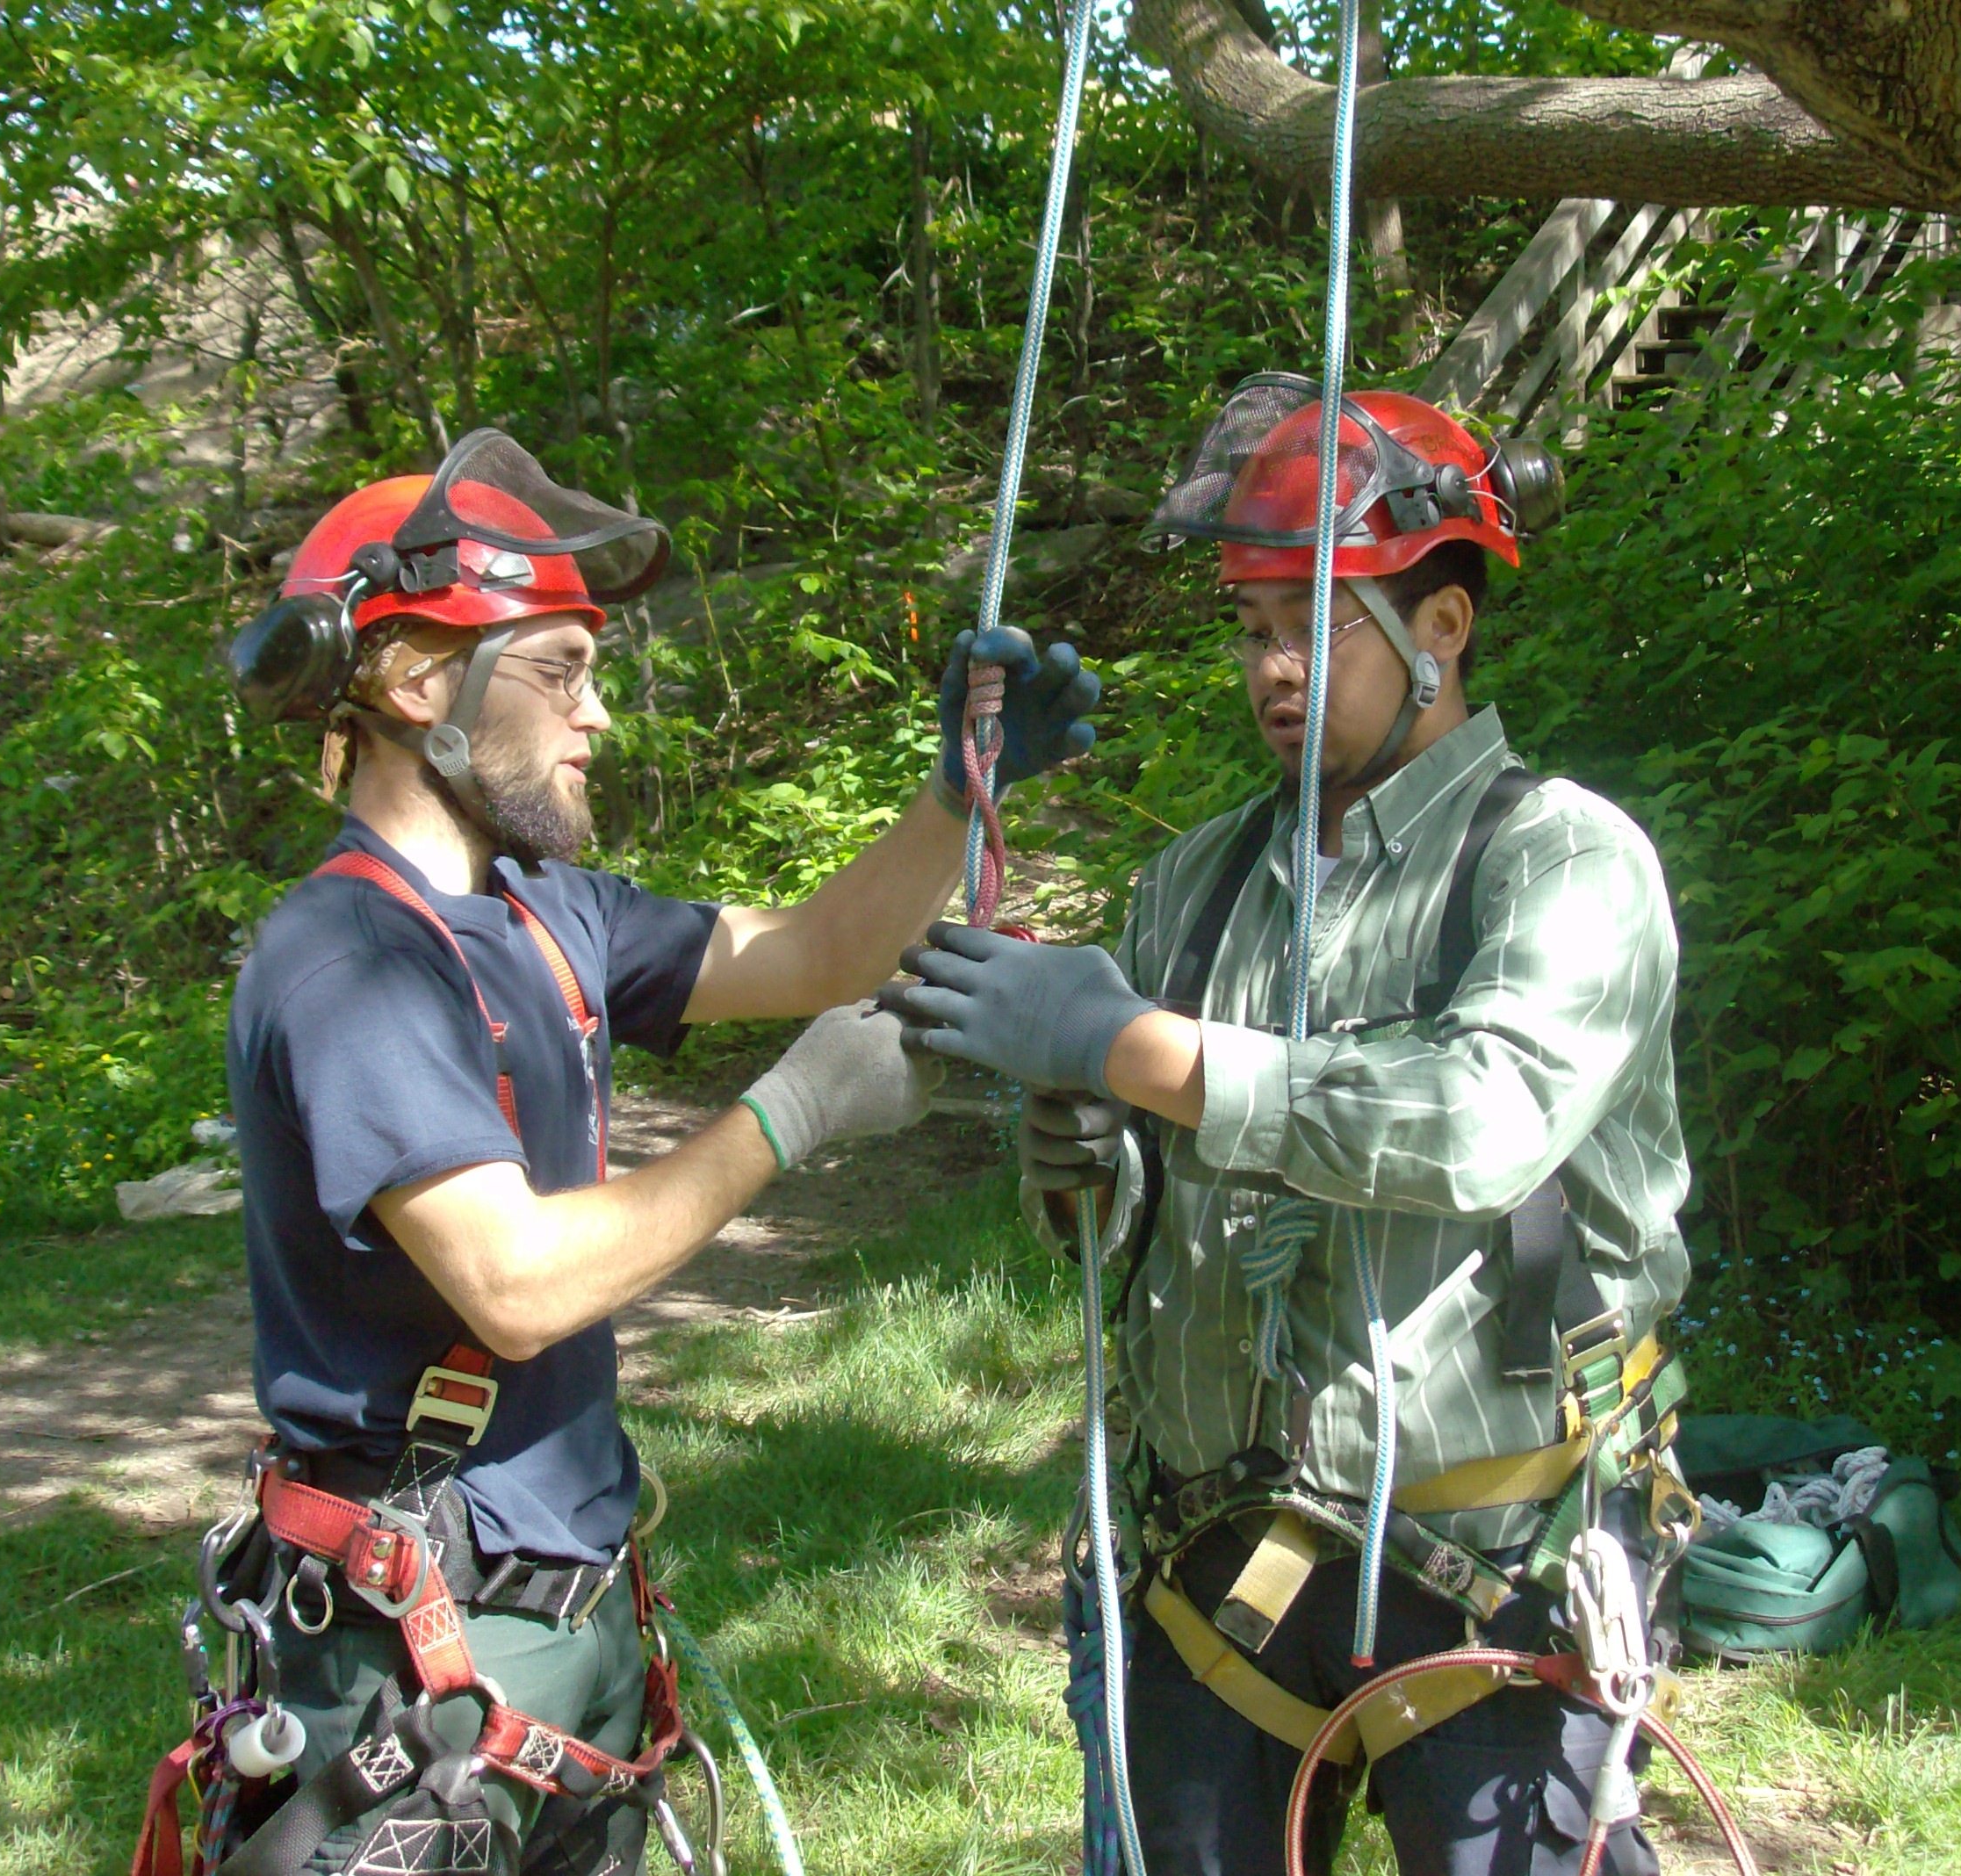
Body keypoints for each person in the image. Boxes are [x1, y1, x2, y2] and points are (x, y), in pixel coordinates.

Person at [198, 436, 1102, 1876]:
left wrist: (957, 790)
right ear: (417, 683)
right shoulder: (348, 959)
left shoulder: (550, 910)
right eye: (558, 670)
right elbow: (511, 1282)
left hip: (569, 1617)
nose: (597, 716)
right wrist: (787, 1117)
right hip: (422, 1653)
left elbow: (820, 951)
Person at [890, 381, 1692, 1876]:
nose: (1269, 665)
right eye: (1252, 625)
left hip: (1491, 1562)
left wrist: (1132, 1045)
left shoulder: (1563, 859)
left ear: (1440, 628)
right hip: (1215, 1569)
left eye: (1311, 623)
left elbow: (1479, 1123)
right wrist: (1084, 1168)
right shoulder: (1195, 881)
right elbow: (1143, 1206)